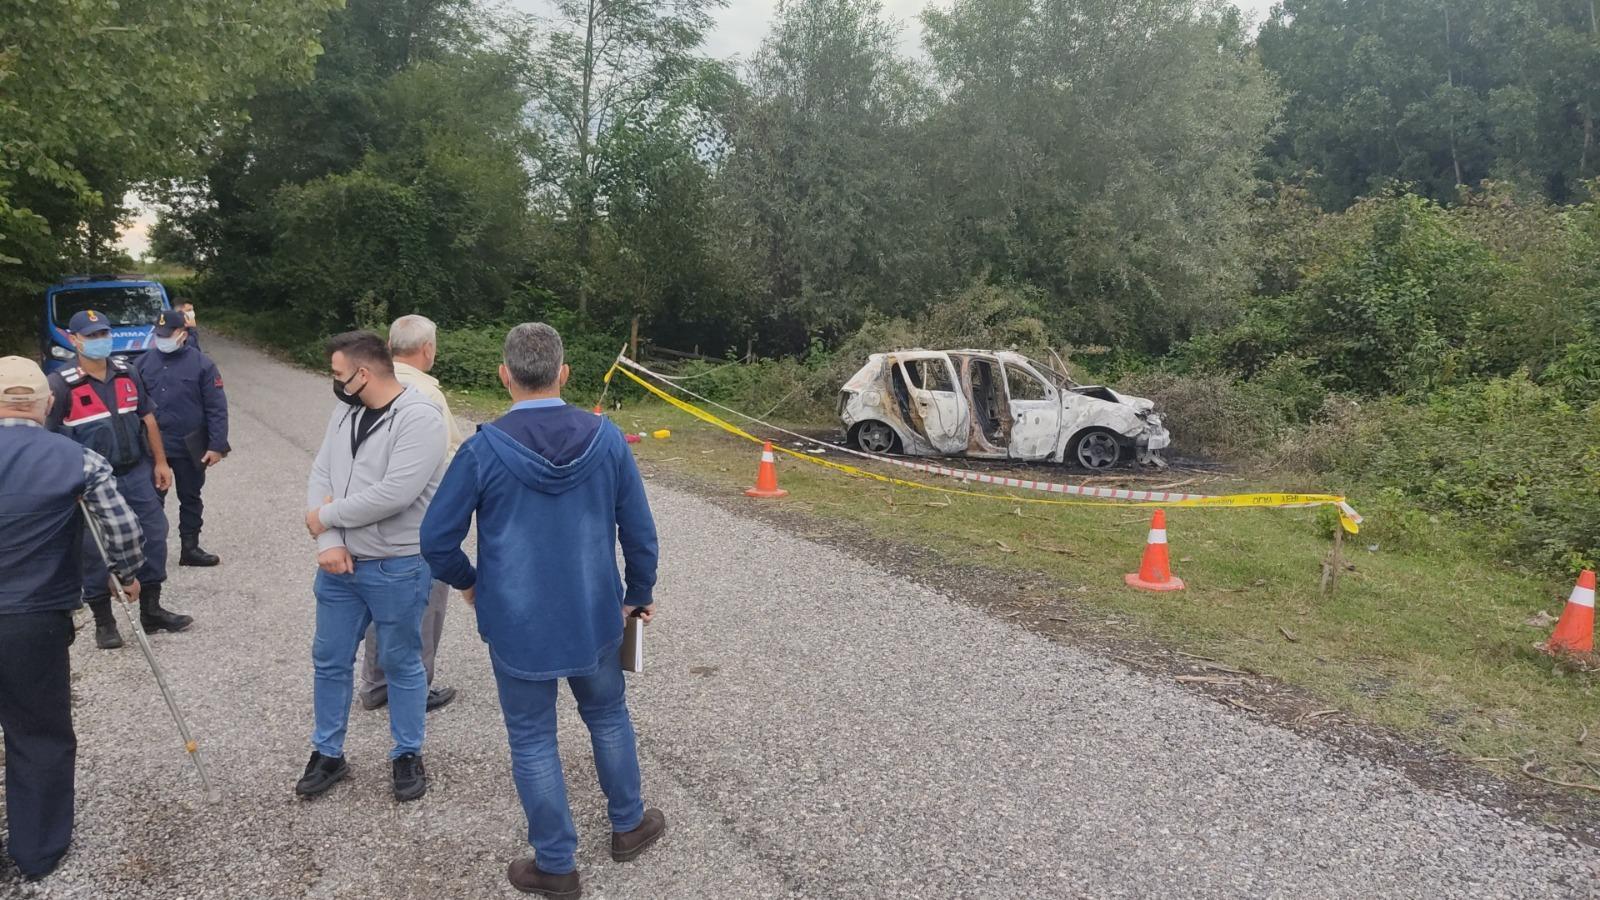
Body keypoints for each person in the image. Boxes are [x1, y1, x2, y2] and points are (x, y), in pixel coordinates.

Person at [421, 323, 663, 897]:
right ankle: (628, 825)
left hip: (517, 623)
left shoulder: (483, 449)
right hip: (595, 616)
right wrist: (639, 592)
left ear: (505, 375)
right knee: (607, 716)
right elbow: (639, 531)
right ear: (565, 374)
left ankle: (557, 865)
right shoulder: (607, 440)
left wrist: (471, 584)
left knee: (532, 739)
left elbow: (435, 541)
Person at [0, 356, 145, 881]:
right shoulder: (76, 458)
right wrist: (127, 573)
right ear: (45, 404)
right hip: (32, 618)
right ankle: (36, 852)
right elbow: (122, 529)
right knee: (38, 733)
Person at [299, 331, 446, 803]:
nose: (335, 383)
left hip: (397, 566)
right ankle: (328, 753)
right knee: (329, 659)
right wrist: (328, 538)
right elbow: (321, 473)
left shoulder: (421, 418)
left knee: (402, 661)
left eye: (339, 374)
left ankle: (407, 753)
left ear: (364, 374)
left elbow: (395, 494)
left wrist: (325, 517)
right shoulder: (345, 411)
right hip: (339, 567)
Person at [47, 309, 193, 649]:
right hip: (89, 485)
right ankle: (104, 621)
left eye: (104, 334)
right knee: (94, 548)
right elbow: (50, 439)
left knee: (154, 534)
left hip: (135, 471)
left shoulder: (128, 372)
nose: (101, 341)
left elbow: (149, 418)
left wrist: (160, 462)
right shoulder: (60, 384)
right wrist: (65, 483)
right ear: (74, 339)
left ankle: (151, 609)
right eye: (92, 336)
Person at [355, 315, 461, 714]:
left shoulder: (367, 386)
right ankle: (414, 687)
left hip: (368, 515)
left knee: (379, 602)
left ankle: (375, 683)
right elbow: (449, 458)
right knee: (424, 605)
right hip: (418, 520)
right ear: (428, 349)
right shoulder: (425, 394)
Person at [136, 309, 229, 567]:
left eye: (169, 334)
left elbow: (216, 407)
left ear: (183, 334)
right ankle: (149, 552)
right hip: (155, 447)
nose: (163, 339)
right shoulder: (142, 364)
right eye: (159, 334)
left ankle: (190, 547)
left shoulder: (203, 365)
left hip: (190, 444)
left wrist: (217, 445)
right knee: (151, 501)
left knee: (190, 497)